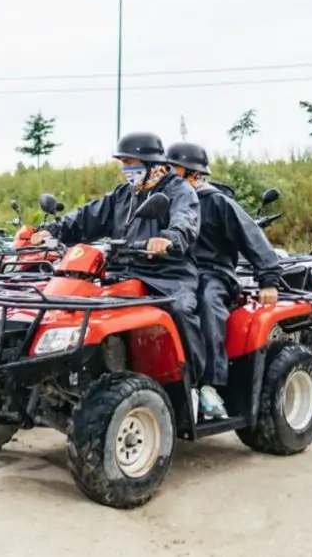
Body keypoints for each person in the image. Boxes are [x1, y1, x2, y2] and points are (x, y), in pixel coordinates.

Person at [30, 132, 205, 415]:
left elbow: (186, 219)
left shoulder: (178, 190)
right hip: (122, 270)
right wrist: (54, 230)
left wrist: (169, 237)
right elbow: (88, 216)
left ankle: (195, 385)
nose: (127, 170)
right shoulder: (123, 194)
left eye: (131, 163)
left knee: (182, 311)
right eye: (123, 163)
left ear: (152, 163)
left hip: (167, 273)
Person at [166, 141, 283, 420]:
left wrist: (268, 279)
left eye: (174, 170)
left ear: (194, 174)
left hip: (214, 273)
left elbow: (252, 237)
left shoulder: (216, 201)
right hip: (175, 275)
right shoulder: (164, 200)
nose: (168, 175)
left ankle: (209, 384)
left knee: (207, 301)